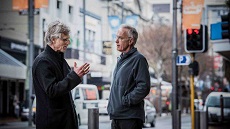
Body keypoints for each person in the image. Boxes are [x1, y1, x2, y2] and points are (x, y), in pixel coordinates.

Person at [32, 21, 90, 129]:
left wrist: (76, 75)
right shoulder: (43, 61)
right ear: (53, 39)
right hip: (53, 123)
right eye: (64, 39)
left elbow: (65, 85)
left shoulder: (59, 59)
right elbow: (52, 90)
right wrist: (74, 76)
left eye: (68, 39)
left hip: (63, 121)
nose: (68, 42)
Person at [107, 24, 150, 129]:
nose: (116, 41)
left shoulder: (138, 59)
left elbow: (144, 87)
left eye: (120, 38)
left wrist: (126, 101)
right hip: (117, 116)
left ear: (130, 41)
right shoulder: (121, 60)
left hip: (129, 117)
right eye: (116, 37)